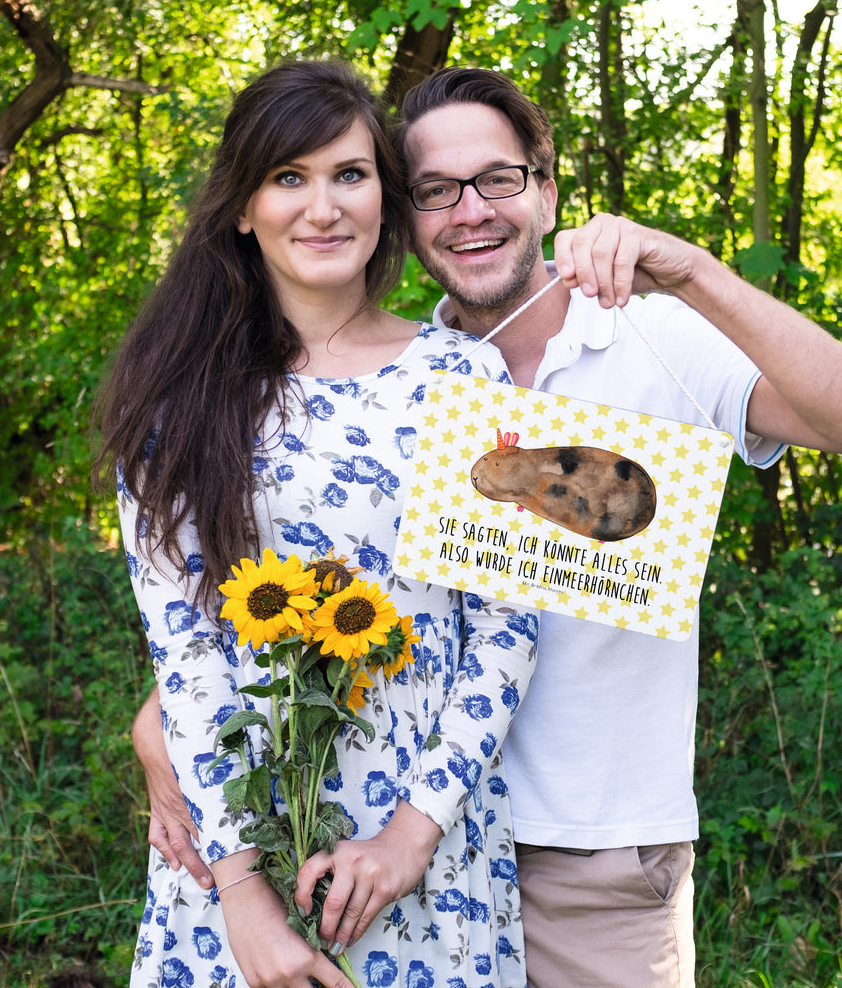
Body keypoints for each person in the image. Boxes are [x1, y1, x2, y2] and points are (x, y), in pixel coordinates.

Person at [135, 66, 842, 988]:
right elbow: (261, 598)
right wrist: (167, 735)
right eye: (435, 190)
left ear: (545, 189)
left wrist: (693, 270)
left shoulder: (643, 336)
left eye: (498, 179)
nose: (470, 211)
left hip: (585, 850)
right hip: (358, 838)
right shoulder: (394, 381)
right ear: (407, 213)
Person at [96, 60, 540, 988]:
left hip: (426, 852)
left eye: (350, 174)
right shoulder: (178, 400)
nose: (323, 207)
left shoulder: (466, 380)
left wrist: (411, 838)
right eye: (288, 178)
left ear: (385, 194)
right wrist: (244, 902)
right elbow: (187, 655)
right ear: (242, 208)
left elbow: (505, 628)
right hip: (235, 851)